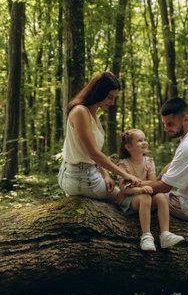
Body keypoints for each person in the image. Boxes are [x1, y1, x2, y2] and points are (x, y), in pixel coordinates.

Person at [58, 72, 140, 202]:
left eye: (114, 98)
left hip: (87, 174)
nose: (112, 102)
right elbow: (93, 154)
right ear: (98, 93)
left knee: (127, 193)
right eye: (110, 97)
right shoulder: (80, 111)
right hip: (79, 177)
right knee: (128, 199)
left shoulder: (93, 114)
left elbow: (94, 152)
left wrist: (106, 175)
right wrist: (124, 174)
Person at [117, 129, 184, 251]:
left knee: (161, 197)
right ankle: (146, 236)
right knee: (145, 197)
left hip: (145, 195)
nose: (144, 142)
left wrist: (136, 184)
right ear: (128, 147)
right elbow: (124, 190)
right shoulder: (123, 164)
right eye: (139, 140)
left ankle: (165, 234)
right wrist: (139, 190)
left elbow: (153, 183)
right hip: (130, 199)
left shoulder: (148, 162)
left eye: (145, 139)